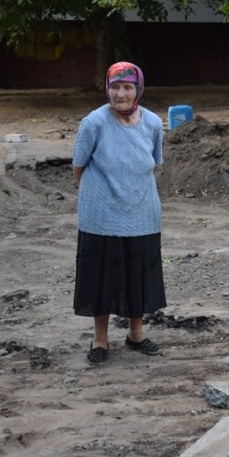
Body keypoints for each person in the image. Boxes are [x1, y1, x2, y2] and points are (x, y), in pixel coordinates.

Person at [72, 62, 166, 365]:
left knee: (138, 273)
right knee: (101, 275)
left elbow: (154, 160)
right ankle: (100, 338)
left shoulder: (152, 122)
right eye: (115, 86)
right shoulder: (93, 123)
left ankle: (136, 333)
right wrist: (97, 196)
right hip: (101, 215)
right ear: (107, 88)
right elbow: (79, 166)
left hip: (142, 211)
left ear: (138, 89)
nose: (120, 94)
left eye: (127, 87)